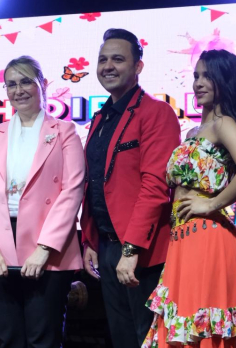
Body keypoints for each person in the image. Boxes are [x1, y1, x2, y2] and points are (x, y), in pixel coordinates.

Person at [144, 49, 236, 347]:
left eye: (207, 77)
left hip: (208, 239)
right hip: (183, 240)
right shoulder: (193, 131)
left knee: (202, 328)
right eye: (196, 76)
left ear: (224, 81)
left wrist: (212, 204)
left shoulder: (223, 124)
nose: (198, 83)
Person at [0, 55, 86, 348]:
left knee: (42, 339)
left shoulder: (65, 131)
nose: (18, 90)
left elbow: (72, 190)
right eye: (11, 84)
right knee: (7, 338)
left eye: (25, 82)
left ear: (42, 84)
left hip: (48, 246)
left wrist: (44, 249)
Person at [79, 28, 181, 348]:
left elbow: (155, 186)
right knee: (121, 339)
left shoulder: (157, 112)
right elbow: (94, 181)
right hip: (107, 247)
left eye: (118, 59)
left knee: (148, 339)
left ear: (138, 66)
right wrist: (90, 239)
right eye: (102, 60)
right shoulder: (100, 118)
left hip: (142, 250)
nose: (108, 66)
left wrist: (131, 249)